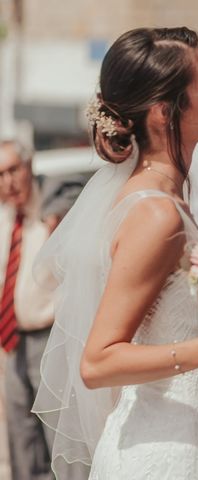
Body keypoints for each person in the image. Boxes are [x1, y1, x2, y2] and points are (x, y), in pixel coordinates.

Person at [31, 27, 198, 479]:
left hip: (183, 438)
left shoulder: (162, 198)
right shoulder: (156, 214)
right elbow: (98, 362)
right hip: (164, 454)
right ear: (164, 112)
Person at [0, 139, 88, 480]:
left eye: (13, 170)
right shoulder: (7, 217)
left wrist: (57, 212)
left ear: (29, 167)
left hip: (51, 338)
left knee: (62, 442)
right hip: (13, 344)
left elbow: (73, 187)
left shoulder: (55, 206)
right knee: (23, 445)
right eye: (0, 174)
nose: (8, 181)